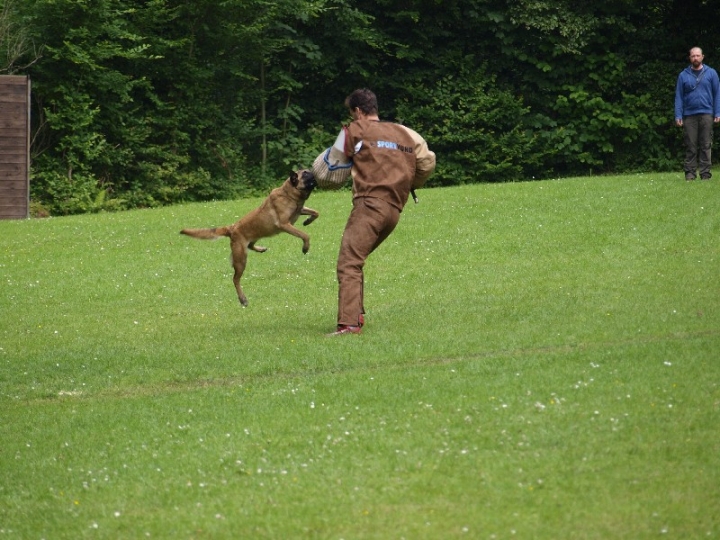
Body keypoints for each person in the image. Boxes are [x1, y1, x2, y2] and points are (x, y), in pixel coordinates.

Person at [328, 88, 436, 336]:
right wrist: (411, 183)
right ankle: (357, 316)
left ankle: (349, 325)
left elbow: (332, 167)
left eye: (352, 114)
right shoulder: (405, 133)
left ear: (357, 111)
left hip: (369, 207)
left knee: (349, 263)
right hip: (394, 210)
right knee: (357, 261)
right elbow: (428, 161)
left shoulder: (354, 130)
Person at [674, 47, 720, 180]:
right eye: (693, 56)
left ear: (702, 57)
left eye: (698, 55)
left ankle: (705, 174)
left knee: (706, 144)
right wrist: (678, 115)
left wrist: (717, 112)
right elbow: (679, 97)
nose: (695, 58)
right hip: (689, 115)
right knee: (691, 145)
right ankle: (690, 173)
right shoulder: (683, 75)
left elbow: (717, 94)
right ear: (690, 58)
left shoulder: (711, 73)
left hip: (707, 113)